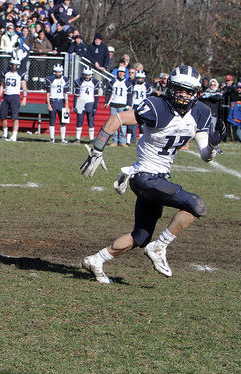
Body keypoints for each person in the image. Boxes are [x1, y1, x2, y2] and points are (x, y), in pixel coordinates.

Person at [79, 65, 224, 284]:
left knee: (141, 236)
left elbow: (205, 154)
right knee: (196, 205)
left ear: (195, 93)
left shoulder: (200, 112)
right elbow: (116, 119)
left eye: (189, 91)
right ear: (170, 87)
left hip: (158, 180)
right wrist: (98, 148)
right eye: (180, 89)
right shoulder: (158, 107)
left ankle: (97, 260)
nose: (184, 95)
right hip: (145, 177)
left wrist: (212, 146)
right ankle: (160, 246)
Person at [0, 58, 27, 142]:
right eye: (12, 65)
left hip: (15, 96)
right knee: (3, 116)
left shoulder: (21, 74)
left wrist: (24, 98)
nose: (14, 67)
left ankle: (14, 135)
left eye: (16, 65)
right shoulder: (5, 73)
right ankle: (5, 133)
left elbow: (24, 88)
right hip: (6, 96)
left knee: (14, 117)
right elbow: (2, 86)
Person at [105, 66, 133, 146]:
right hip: (113, 104)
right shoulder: (112, 82)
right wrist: (106, 102)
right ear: (117, 73)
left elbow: (130, 96)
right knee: (114, 123)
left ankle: (122, 141)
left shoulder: (128, 84)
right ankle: (114, 140)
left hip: (123, 105)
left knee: (123, 124)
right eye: (119, 72)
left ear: (125, 73)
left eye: (122, 72)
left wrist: (129, 105)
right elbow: (108, 93)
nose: (121, 73)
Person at [73, 67, 100, 142]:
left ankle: (91, 138)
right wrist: (74, 105)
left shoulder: (95, 82)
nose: (87, 76)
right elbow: (76, 94)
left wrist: (95, 107)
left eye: (89, 75)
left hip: (90, 101)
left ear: (91, 75)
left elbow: (96, 96)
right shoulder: (79, 81)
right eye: (86, 75)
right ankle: (77, 138)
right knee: (79, 120)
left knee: (90, 120)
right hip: (80, 101)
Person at [45, 63, 69, 143]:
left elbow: (65, 93)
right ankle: (52, 138)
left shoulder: (65, 79)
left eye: (59, 72)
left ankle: (63, 138)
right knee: (52, 121)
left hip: (61, 101)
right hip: (53, 101)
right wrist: (48, 104)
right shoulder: (50, 79)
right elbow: (48, 93)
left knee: (63, 121)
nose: (57, 73)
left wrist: (67, 105)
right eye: (56, 72)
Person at [127, 70, 152, 145]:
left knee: (142, 124)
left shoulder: (147, 86)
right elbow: (130, 96)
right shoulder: (133, 85)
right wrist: (129, 105)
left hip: (143, 105)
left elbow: (148, 97)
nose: (139, 79)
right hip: (134, 105)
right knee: (130, 123)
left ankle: (141, 141)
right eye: (138, 78)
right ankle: (128, 141)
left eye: (141, 78)